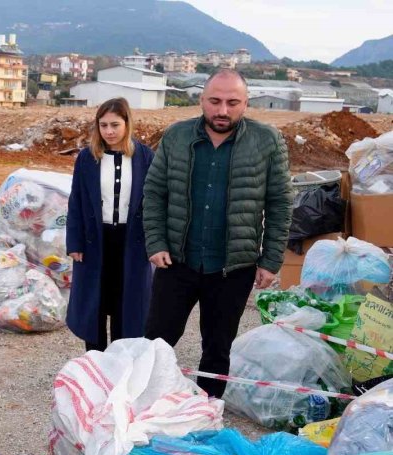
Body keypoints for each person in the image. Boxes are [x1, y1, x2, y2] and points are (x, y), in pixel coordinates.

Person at [143, 69, 292, 398]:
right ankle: (144, 407)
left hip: (232, 269)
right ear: (201, 100)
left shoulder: (266, 141)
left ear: (245, 103)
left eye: (232, 102)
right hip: (176, 263)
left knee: (217, 349)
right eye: (215, 101)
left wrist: (271, 259)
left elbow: (280, 202)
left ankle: (206, 416)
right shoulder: (177, 136)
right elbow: (154, 193)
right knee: (155, 342)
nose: (222, 110)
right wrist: (155, 242)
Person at [66, 97, 154, 352]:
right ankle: (95, 363)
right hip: (96, 241)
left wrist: (156, 243)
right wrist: (75, 241)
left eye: (115, 124)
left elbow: (155, 202)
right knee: (94, 303)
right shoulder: (86, 158)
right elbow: (77, 202)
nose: (109, 131)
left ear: (127, 124)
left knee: (126, 306)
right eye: (103, 125)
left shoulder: (145, 157)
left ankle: (119, 363)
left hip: (132, 243)